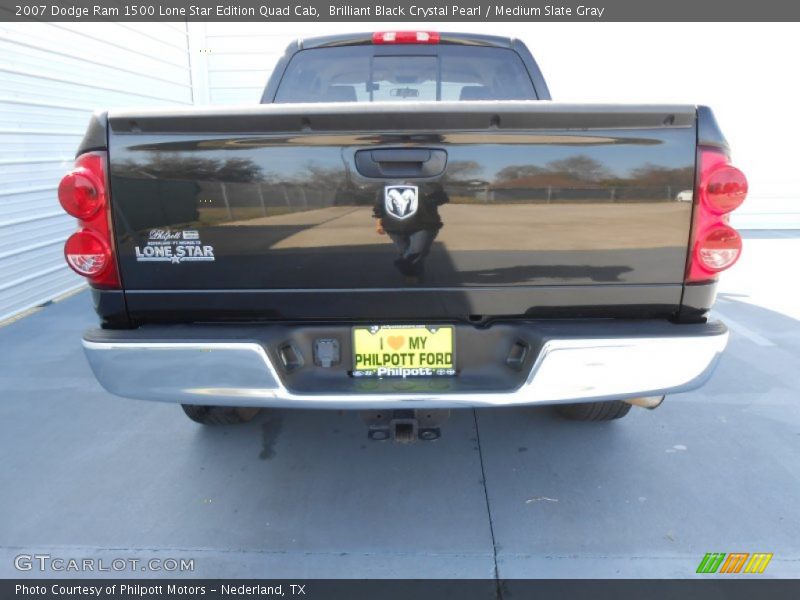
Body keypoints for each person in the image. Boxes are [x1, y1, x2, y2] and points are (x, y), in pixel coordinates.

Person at [373, 183, 449, 282]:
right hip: (393, 226)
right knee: (404, 252)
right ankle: (413, 274)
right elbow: (379, 207)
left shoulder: (429, 181)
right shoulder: (386, 183)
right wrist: (378, 223)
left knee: (416, 251)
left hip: (423, 224)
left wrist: (433, 193)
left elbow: (442, 199)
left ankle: (405, 266)